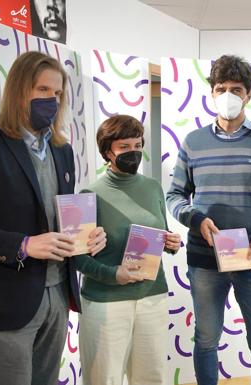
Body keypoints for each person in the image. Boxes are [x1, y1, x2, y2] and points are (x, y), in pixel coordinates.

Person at [0, 51, 106, 385]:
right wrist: (23, 245)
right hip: (4, 299)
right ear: (18, 91)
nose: (52, 100)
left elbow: (58, 219)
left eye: (57, 94)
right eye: (43, 90)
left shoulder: (62, 150)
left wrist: (87, 239)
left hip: (57, 296)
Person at [166, 55, 251, 385]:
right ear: (211, 92)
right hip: (205, 259)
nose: (228, 96)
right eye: (221, 88)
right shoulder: (193, 142)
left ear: (249, 94)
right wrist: (196, 219)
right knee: (206, 341)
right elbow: (175, 195)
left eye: (236, 89)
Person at [75, 114, 181, 385]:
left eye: (137, 145)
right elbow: (76, 257)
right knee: (104, 378)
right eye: (124, 147)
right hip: (106, 302)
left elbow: (160, 233)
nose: (132, 153)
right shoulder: (89, 194)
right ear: (107, 151)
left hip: (152, 297)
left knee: (152, 377)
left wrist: (172, 244)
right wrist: (113, 274)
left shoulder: (153, 187)